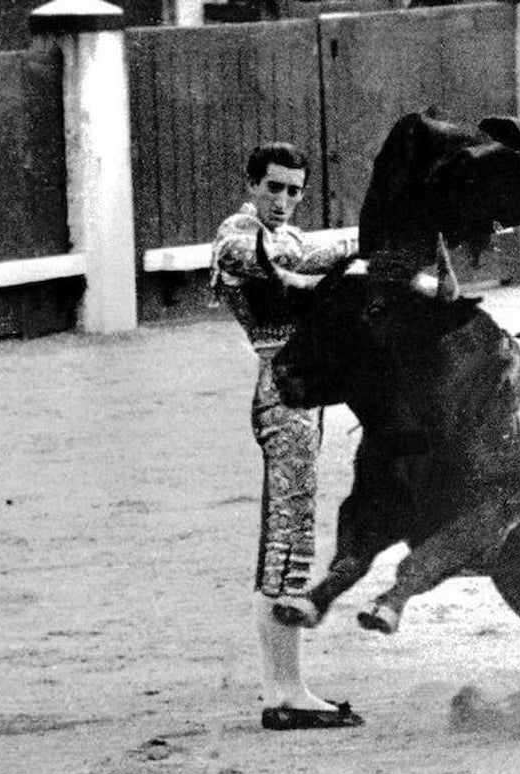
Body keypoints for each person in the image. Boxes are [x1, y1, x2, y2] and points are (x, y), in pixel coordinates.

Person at [210, 142, 363, 731]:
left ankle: (286, 687)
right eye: (273, 187)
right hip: (282, 396)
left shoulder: (285, 237)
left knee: (292, 534)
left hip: (302, 394)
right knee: (286, 539)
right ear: (251, 184)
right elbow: (292, 256)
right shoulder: (237, 235)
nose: (282, 200)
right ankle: (284, 693)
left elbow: (309, 257)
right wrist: (368, 241)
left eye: (294, 191)